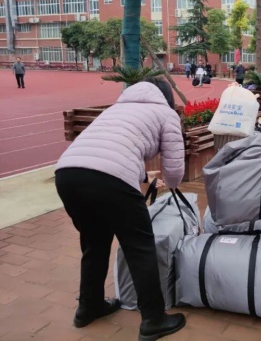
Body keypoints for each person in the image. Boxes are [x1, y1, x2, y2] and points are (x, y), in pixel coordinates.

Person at [54, 77, 187, 340]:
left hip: (68, 174)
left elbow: (111, 151)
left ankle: (89, 306)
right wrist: (171, 184)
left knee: (94, 242)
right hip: (110, 179)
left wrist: (144, 176)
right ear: (167, 97)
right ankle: (154, 319)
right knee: (140, 247)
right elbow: (174, 170)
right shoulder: (165, 113)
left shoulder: (116, 108)